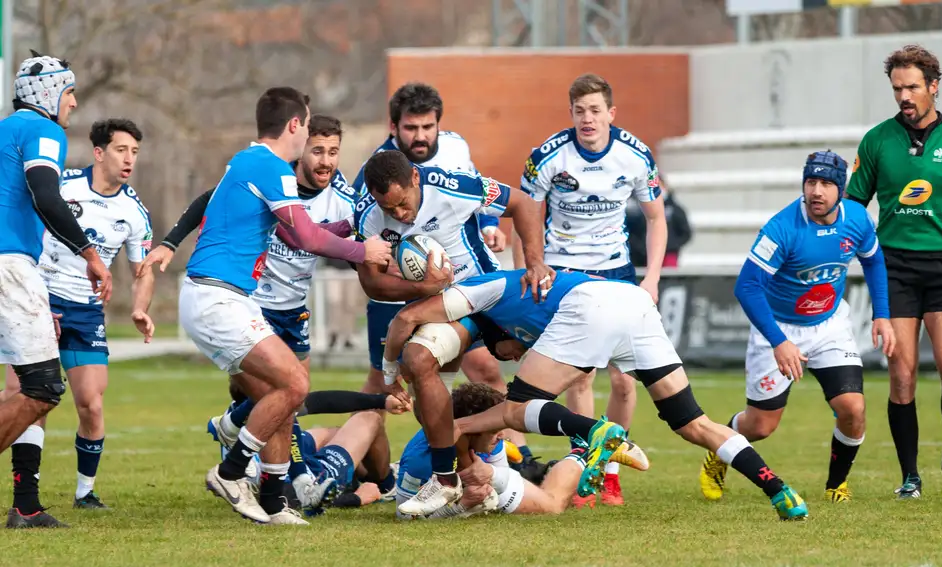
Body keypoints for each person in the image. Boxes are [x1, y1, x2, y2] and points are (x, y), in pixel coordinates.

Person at [383, 268, 809, 520]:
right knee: (693, 424)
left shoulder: (482, 291)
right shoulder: (534, 312)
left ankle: (597, 433)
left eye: (507, 348)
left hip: (593, 304)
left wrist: (391, 372)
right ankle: (778, 490)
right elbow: (578, 370)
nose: (516, 353)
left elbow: (408, 317)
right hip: (634, 303)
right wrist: (460, 426)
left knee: (516, 409)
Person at [177, 87, 391, 525]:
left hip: (222, 297)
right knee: (294, 384)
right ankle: (231, 470)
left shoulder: (250, 161)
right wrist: (361, 251)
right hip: (219, 297)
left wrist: (353, 236)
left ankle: (275, 501)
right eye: (309, 127)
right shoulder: (271, 166)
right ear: (295, 126)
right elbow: (310, 238)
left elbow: (298, 235)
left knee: (282, 399)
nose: (313, 139)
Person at [351, 83, 541, 474]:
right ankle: (460, 465)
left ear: (416, 181)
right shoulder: (368, 212)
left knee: (513, 366)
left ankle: (508, 460)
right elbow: (370, 282)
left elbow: (521, 201)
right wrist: (421, 287)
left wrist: (535, 263)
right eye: (391, 208)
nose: (401, 215)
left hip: (483, 292)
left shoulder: (449, 183)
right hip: (428, 303)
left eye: (404, 203)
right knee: (417, 373)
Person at [846, 45, 942, 500]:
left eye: (912, 87)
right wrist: (843, 254)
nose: (904, 96)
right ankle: (909, 475)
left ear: (934, 86)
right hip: (893, 267)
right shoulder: (876, 141)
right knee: (903, 376)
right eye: (897, 88)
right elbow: (855, 205)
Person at [698, 150, 895, 504]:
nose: (817, 191)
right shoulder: (782, 228)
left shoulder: (858, 219)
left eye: (825, 184)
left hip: (830, 324)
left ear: (841, 189)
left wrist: (882, 313)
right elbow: (747, 287)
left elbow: (874, 260)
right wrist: (778, 341)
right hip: (778, 328)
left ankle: (837, 485)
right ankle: (719, 447)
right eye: (811, 182)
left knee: (853, 407)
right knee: (761, 427)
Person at [512, 73, 666, 506]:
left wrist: (651, 277)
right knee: (579, 376)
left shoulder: (635, 155)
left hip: (616, 272)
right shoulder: (547, 157)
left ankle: (608, 470)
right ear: (571, 114)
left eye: (596, 110)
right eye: (580, 111)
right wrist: (528, 270)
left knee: (623, 381)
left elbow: (657, 217)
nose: (588, 119)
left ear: (611, 114)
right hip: (563, 273)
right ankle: (584, 470)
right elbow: (524, 213)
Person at [8, 118, 154, 515]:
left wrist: (140, 307)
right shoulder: (61, 186)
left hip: (87, 313)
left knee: (90, 402)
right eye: (121, 150)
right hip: (39, 299)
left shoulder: (133, 211)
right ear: (99, 152)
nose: (129, 160)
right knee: (27, 396)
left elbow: (143, 270)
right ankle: (26, 495)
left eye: (135, 152)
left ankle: (85, 492)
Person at [0, 52, 113, 529]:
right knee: (43, 387)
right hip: (8, 265)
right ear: (49, 94)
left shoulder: (6, 129)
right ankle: (25, 505)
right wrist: (89, 253)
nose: (74, 102)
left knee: (32, 385)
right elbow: (47, 194)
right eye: (69, 92)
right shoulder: (43, 131)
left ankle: (25, 505)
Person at [395, 381, 648, 520]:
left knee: (553, 504)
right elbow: (404, 513)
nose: (502, 434)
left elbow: (501, 474)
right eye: (494, 431)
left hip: (492, 477)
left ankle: (584, 451)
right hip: (470, 478)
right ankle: (584, 449)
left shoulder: (485, 438)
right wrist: (462, 507)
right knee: (555, 502)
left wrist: (490, 479)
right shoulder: (421, 460)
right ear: (470, 429)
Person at [207, 386, 410, 514]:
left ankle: (360, 475)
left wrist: (381, 401)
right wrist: (355, 499)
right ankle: (386, 485)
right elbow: (290, 497)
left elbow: (320, 401)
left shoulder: (245, 406)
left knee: (331, 433)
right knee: (370, 419)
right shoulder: (272, 406)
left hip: (294, 455)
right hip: (314, 475)